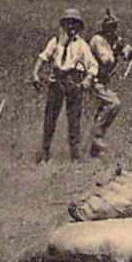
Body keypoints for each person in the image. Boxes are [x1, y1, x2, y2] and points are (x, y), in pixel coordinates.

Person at [31, 8, 99, 162]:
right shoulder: (55, 42)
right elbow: (42, 57)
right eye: (68, 23)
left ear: (79, 26)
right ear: (63, 25)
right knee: (50, 118)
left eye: (74, 23)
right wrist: (35, 74)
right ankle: (45, 153)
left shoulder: (82, 45)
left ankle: (75, 156)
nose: (71, 27)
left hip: (74, 83)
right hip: (56, 83)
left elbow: (93, 65)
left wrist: (87, 80)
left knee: (74, 120)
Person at [88, 9, 132, 157]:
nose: (113, 29)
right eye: (110, 26)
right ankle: (95, 136)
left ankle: (94, 150)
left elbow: (127, 54)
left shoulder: (115, 39)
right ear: (104, 27)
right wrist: (117, 49)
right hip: (92, 80)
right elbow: (106, 60)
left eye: (115, 26)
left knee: (102, 111)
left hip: (104, 82)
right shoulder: (98, 40)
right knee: (114, 103)